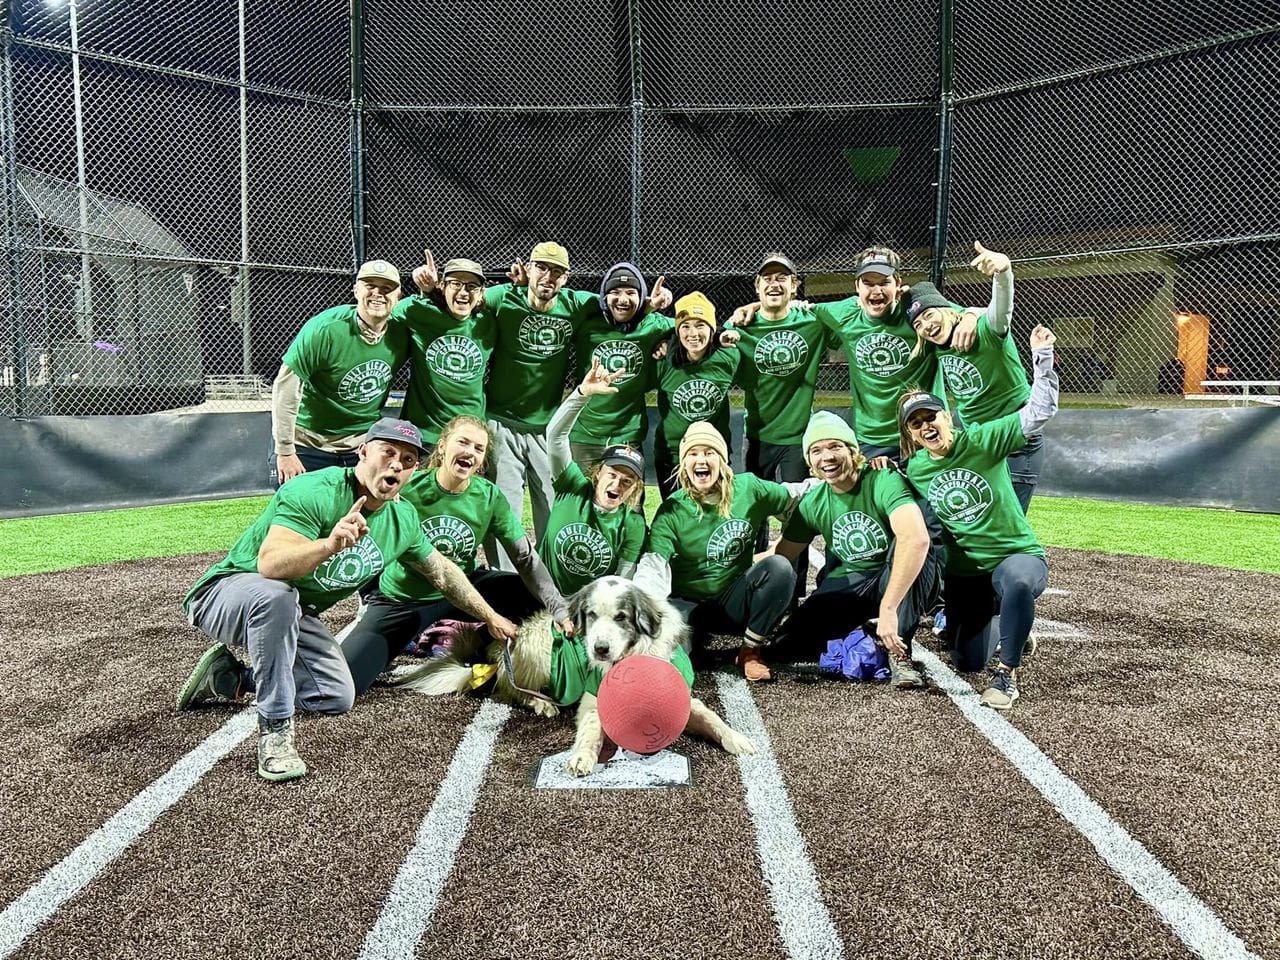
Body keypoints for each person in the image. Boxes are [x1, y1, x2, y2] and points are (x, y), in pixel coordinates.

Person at [177, 419, 518, 782]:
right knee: (278, 596)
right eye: (387, 452)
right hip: (229, 593)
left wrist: (491, 616)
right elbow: (270, 564)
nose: (396, 465)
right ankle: (276, 731)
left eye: (406, 459)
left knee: (336, 695)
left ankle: (229, 678)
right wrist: (328, 545)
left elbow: (443, 574)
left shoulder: (402, 518)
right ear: (364, 451)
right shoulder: (315, 491)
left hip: (294, 614)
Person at [339, 415, 570, 695]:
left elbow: (524, 558)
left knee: (538, 603)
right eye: (463, 442)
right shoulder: (407, 488)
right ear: (442, 447)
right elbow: (366, 526)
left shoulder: (488, 496)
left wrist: (559, 606)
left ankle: (481, 644)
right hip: (405, 597)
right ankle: (406, 632)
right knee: (345, 685)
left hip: (466, 588)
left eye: (478, 448)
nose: (469, 452)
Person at [897, 324, 1059, 710]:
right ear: (912, 435)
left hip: (1013, 556)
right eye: (916, 424)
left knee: (1018, 583)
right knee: (967, 661)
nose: (926, 426)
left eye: (930, 416)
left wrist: (1043, 358)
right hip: (967, 575)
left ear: (947, 416)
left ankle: (1007, 675)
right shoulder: (917, 468)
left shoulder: (983, 439)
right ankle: (1011, 629)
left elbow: (1039, 412)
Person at [635, 422, 815, 682]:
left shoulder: (749, 489)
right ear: (684, 464)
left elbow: (796, 495)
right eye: (693, 454)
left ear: (722, 460)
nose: (701, 460)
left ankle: (750, 650)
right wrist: (646, 613)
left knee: (779, 568)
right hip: (687, 604)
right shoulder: (672, 510)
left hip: (734, 599)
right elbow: (654, 564)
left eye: (709, 453)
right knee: (669, 662)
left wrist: (852, 475)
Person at [773, 412, 939, 688]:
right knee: (788, 644)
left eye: (835, 447)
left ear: (852, 451)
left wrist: (888, 607)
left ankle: (902, 654)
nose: (826, 457)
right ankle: (867, 628)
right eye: (816, 450)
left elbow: (917, 539)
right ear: (809, 462)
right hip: (856, 581)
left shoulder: (882, 478)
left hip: (896, 577)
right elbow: (780, 555)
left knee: (907, 546)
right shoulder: (814, 502)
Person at [720, 252, 838, 592]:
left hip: (795, 437)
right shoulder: (740, 327)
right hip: (756, 435)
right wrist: (745, 311)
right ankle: (753, 583)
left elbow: (849, 317)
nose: (775, 283)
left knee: (795, 514)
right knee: (752, 512)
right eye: (767, 278)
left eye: (782, 278)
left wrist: (810, 307)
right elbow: (709, 341)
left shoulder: (811, 322)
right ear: (757, 287)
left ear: (794, 286)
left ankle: (791, 589)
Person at [907, 241, 1042, 512]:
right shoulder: (935, 346)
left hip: (1012, 436)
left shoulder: (987, 330)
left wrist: (1003, 272)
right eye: (918, 325)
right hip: (973, 439)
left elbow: (1001, 308)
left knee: (1008, 518)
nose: (926, 326)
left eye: (930, 315)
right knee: (974, 514)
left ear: (946, 310)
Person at [271, 260, 411, 485]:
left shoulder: (402, 332)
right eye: (370, 286)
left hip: (361, 444)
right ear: (356, 290)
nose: (378, 294)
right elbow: (286, 387)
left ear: (398, 296)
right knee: (297, 510)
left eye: (386, 289)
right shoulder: (325, 329)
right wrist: (286, 451)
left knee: (368, 512)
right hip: (310, 441)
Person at [542, 358, 648, 595]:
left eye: (627, 481)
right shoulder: (572, 487)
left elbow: (622, 579)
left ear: (634, 489)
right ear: (598, 473)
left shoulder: (633, 524)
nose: (617, 484)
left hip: (589, 609)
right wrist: (582, 394)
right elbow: (555, 436)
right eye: (612, 473)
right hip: (541, 597)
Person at [568, 262, 673, 467]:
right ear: (604, 297)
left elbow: (697, 327)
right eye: (615, 291)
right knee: (579, 497)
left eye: (631, 292)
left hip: (627, 434)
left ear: (641, 297)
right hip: (584, 433)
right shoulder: (586, 324)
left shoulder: (654, 325)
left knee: (627, 496)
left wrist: (671, 342)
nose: (623, 299)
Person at [396, 253, 496, 458]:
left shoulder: (489, 321)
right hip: (423, 434)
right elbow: (383, 316)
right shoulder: (420, 313)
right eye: (455, 283)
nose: (463, 292)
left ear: (481, 293)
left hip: (470, 434)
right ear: (443, 286)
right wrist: (428, 291)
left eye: (471, 286)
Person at [654, 292, 740, 499]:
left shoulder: (729, 356)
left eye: (700, 325)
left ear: (712, 329)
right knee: (677, 518)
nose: (693, 333)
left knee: (715, 516)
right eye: (685, 326)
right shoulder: (662, 361)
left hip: (714, 454)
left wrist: (723, 333)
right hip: (672, 455)